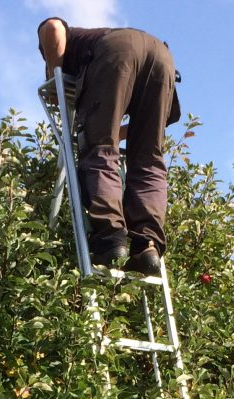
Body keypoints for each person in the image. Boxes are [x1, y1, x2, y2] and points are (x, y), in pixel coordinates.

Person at [37, 16, 181, 274]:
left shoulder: (76, 42)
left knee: (100, 150)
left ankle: (111, 236)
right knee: (149, 160)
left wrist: (53, 76)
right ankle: (147, 244)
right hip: (163, 58)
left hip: (116, 51)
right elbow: (161, 121)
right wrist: (111, 130)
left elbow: (52, 27)